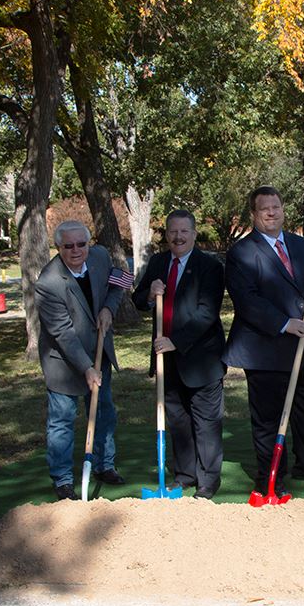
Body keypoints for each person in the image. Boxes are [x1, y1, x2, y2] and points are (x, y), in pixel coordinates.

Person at [224, 185, 304, 498]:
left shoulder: (299, 245)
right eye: (265, 209)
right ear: (254, 214)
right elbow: (247, 301)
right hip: (266, 349)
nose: (272, 213)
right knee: (268, 417)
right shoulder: (241, 253)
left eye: (276, 207)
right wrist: (285, 324)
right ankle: (270, 477)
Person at [132, 210, 226, 499]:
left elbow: (207, 313)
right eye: (173, 231)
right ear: (167, 234)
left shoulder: (210, 266)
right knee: (178, 420)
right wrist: (149, 293)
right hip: (166, 359)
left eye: (184, 231)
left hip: (201, 359)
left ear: (194, 234)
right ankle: (184, 475)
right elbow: (137, 299)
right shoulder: (159, 262)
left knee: (206, 422)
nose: (178, 236)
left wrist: (176, 341)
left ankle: (208, 481)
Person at [36, 220, 126, 500]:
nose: (76, 250)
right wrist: (86, 368)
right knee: (62, 420)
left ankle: (104, 465)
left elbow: (118, 281)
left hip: (100, 350)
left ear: (88, 243)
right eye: (68, 246)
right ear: (59, 247)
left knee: (103, 412)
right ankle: (63, 480)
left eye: (81, 244)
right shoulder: (48, 283)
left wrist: (109, 309)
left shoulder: (99, 256)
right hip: (64, 362)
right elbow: (62, 333)